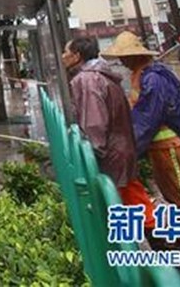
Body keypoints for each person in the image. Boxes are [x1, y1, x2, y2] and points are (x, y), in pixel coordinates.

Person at [102, 31, 180, 252]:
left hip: (166, 147)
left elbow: (148, 117)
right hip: (158, 148)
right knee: (173, 196)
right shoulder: (142, 75)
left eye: (123, 56)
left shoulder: (153, 78)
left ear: (134, 56)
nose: (121, 61)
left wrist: (132, 150)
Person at [61, 37, 155, 231]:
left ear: (77, 56)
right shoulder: (100, 75)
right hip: (120, 150)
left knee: (129, 200)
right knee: (131, 196)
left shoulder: (87, 80)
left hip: (110, 155)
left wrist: (90, 155)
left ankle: (165, 245)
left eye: (66, 52)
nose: (63, 57)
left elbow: (94, 122)